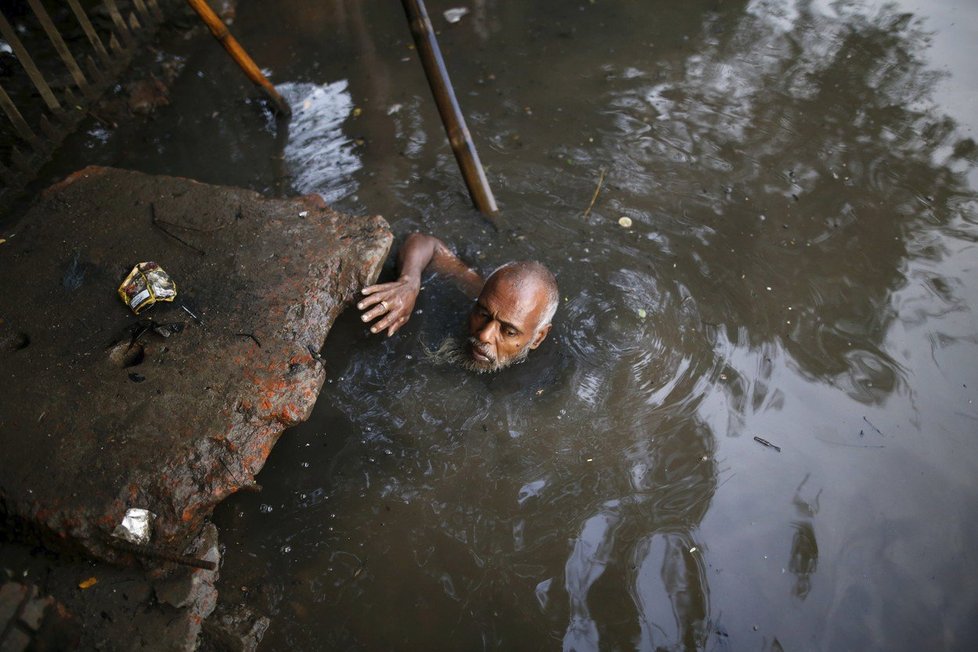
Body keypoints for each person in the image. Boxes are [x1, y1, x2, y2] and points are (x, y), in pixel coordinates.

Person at [357, 233, 558, 373]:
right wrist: (409, 283)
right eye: (483, 314)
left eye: (509, 332)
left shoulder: (546, 378)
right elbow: (427, 243)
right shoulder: (488, 294)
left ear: (538, 338)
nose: (483, 335)